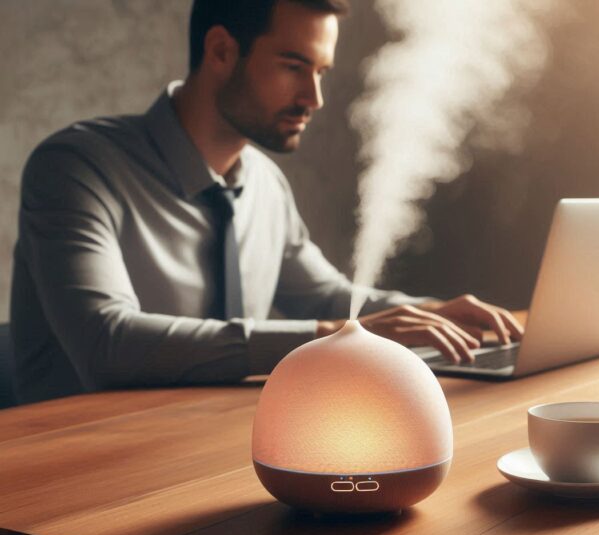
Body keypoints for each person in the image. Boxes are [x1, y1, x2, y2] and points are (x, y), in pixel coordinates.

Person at [10, 0, 523, 405]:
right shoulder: (76, 167)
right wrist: (331, 335)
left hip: (207, 446)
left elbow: (326, 297)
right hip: (72, 472)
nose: (314, 98)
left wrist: (432, 313)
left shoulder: (264, 182)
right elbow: (108, 343)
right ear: (220, 51)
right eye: (294, 66)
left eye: (320, 71)